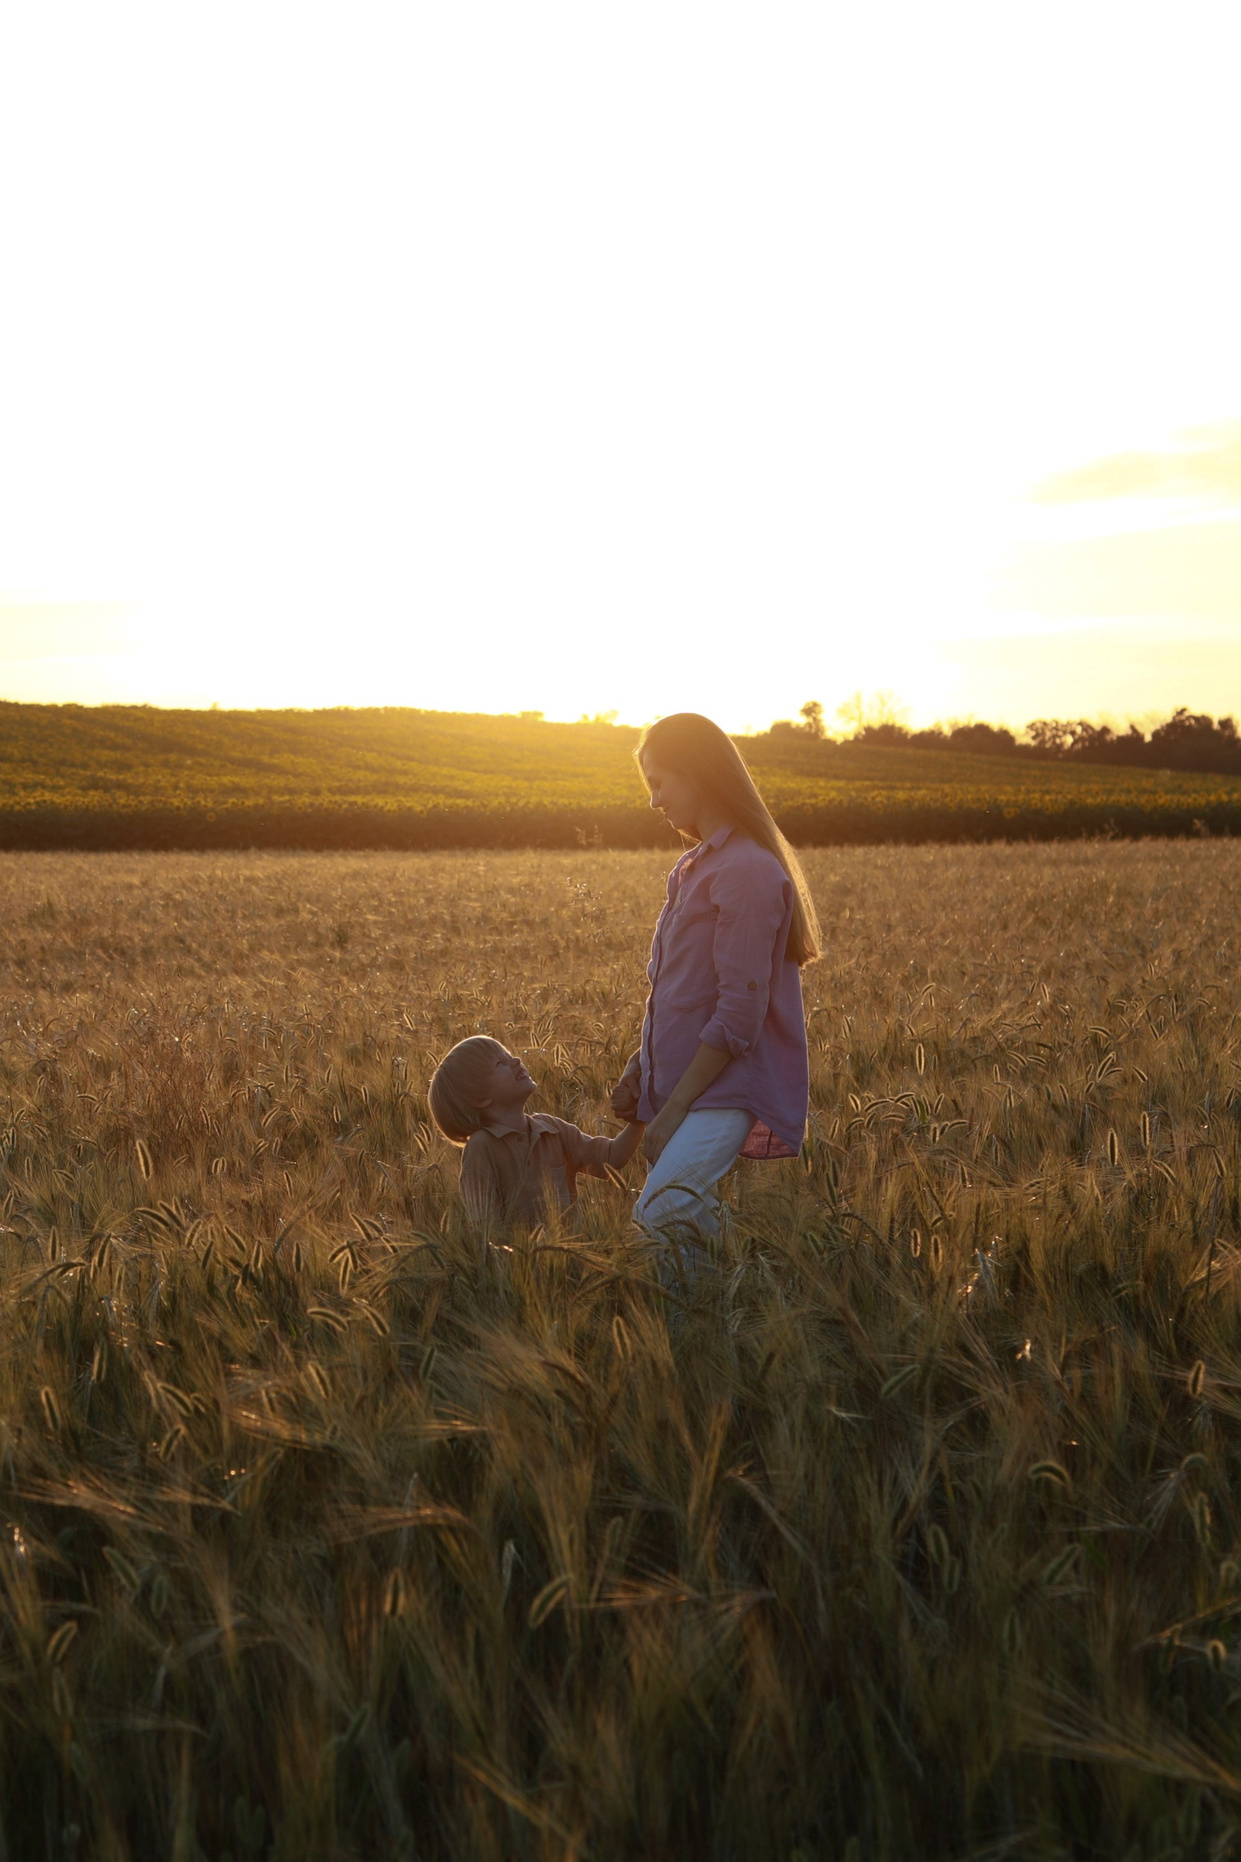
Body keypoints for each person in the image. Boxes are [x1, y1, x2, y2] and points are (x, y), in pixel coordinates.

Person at [611, 713, 819, 1249]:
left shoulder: (745, 870)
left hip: (723, 1088)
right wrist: (642, 1070)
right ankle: (743, 1299)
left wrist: (675, 1108)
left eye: (658, 782)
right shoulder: (692, 868)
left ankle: (723, 1306)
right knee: (688, 1222)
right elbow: (676, 993)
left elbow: (738, 1015)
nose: (653, 801)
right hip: (689, 1086)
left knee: (660, 1210)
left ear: (697, 772)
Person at [429, 1035, 645, 1229]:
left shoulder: (552, 1129)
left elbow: (612, 1157)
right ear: (480, 1099)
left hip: (569, 1265)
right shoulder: (482, 1147)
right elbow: (485, 1229)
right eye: (500, 1063)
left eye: (511, 1055)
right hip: (518, 1269)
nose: (516, 1061)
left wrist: (638, 1120)